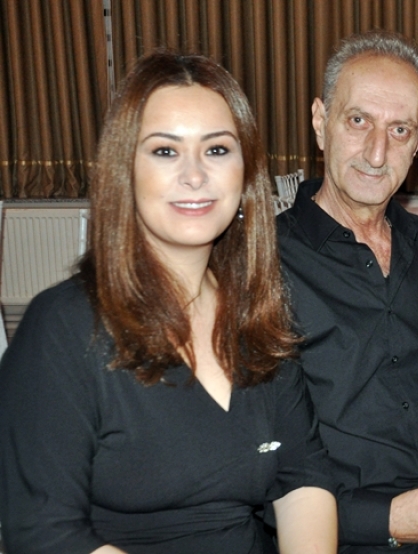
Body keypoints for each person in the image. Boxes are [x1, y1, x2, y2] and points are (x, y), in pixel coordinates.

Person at [0, 51, 336, 554]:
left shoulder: (259, 315)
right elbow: (44, 532)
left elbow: (303, 478)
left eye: (217, 149)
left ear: (246, 173)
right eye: (164, 151)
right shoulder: (62, 328)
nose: (195, 175)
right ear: (125, 172)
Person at [276, 31, 418, 553]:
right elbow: (255, 453)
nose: (377, 153)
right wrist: (385, 519)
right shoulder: (262, 264)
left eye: (399, 130)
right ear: (320, 121)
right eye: (358, 121)